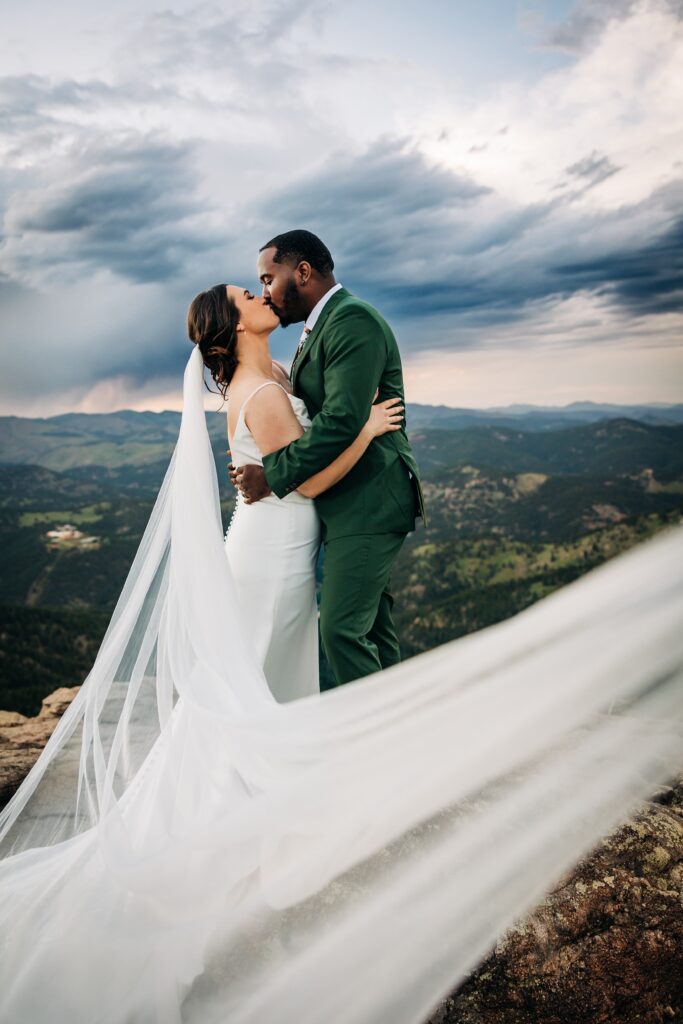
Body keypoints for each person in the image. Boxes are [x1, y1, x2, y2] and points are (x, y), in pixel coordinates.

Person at [187, 282, 405, 702]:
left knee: (273, 668)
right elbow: (310, 483)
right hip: (272, 551)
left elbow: (299, 447)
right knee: (262, 669)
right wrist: (367, 429)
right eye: (249, 296)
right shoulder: (263, 391)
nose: (261, 296)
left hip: (283, 540)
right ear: (237, 326)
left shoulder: (277, 374)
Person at [230, 229, 426, 687]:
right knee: (372, 627)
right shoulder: (319, 326)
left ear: (302, 272)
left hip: (370, 498)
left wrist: (272, 475)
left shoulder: (351, 320)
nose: (265, 292)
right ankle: (399, 734)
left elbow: (339, 421)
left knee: (340, 629)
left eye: (267, 278)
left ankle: (372, 745)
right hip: (345, 498)